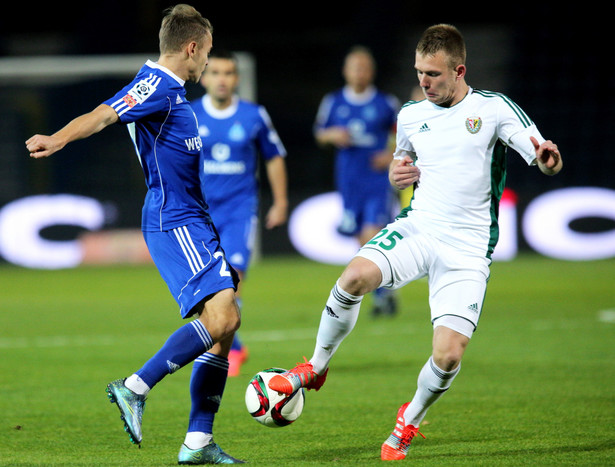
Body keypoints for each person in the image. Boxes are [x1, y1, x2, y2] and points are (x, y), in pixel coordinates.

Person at [268, 24, 562, 461]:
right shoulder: (410, 114)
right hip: (421, 226)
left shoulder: (494, 109)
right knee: (353, 277)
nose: (424, 82)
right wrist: (396, 172)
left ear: (459, 70)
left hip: (468, 246)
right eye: (419, 72)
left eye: (434, 75)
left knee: (447, 356)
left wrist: (548, 161)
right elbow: (402, 160)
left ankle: (411, 418)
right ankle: (315, 366)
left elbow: (541, 154)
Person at [25, 5, 245, 464]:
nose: (206, 62)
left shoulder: (174, 92)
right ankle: (134, 387)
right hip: (174, 219)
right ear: (191, 48)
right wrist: (58, 138)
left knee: (224, 326)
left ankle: (198, 444)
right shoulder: (158, 85)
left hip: (195, 219)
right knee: (222, 319)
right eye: (205, 53)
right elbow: (105, 114)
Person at [191, 49, 288, 377]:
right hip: (200, 211)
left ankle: (227, 348)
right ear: (204, 77)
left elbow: (274, 156)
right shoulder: (189, 115)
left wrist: (281, 201)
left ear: (237, 78)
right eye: (215, 72)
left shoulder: (253, 115)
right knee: (206, 284)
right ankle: (234, 343)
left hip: (238, 208)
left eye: (228, 73)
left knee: (233, 276)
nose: (222, 79)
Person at [314, 45, 401, 316]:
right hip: (349, 179)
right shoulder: (334, 102)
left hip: (377, 180)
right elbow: (319, 133)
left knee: (371, 234)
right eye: (355, 67)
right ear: (345, 71)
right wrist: (332, 135)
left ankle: (382, 297)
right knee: (361, 240)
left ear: (371, 72)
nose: (359, 73)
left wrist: (391, 154)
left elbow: (406, 135)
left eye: (364, 67)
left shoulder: (385, 103)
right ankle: (384, 292)